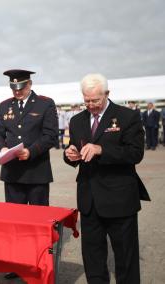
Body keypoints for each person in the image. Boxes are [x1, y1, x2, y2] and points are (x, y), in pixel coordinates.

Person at [64, 73, 150, 284]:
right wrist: (70, 155)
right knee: (92, 257)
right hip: (89, 199)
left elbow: (135, 153)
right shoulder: (77, 121)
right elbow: (75, 150)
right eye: (87, 101)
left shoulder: (127, 117)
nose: (91, 105)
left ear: (107, 94)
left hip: (119, 199)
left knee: (125, 258)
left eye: (95, 100)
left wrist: (102, 149)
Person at [0, 69, 58, 279]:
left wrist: (31, 151)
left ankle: (40, 264)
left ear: (29, 84)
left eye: (20, 87)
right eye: (13, 87)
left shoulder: (45, 103)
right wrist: (1, 148)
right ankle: (18, 263)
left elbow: (50, 135)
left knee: (38, 222)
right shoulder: (5, 106)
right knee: (15, 222)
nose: (17, 92)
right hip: (12, 173)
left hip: (36, 171)